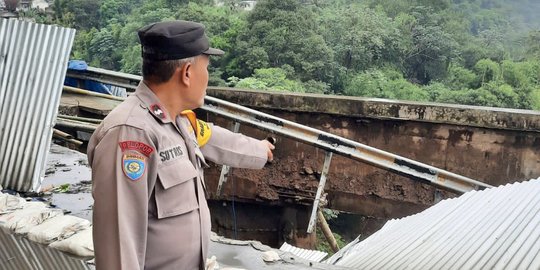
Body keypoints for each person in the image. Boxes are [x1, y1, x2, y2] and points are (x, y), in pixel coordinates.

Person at [87, 20, 275, 270]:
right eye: (206, 68)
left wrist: (261, 151)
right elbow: (120, 250)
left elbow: (217, 139)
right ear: (187, 73)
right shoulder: (131, 134)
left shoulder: (178, 121)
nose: (207, 78)